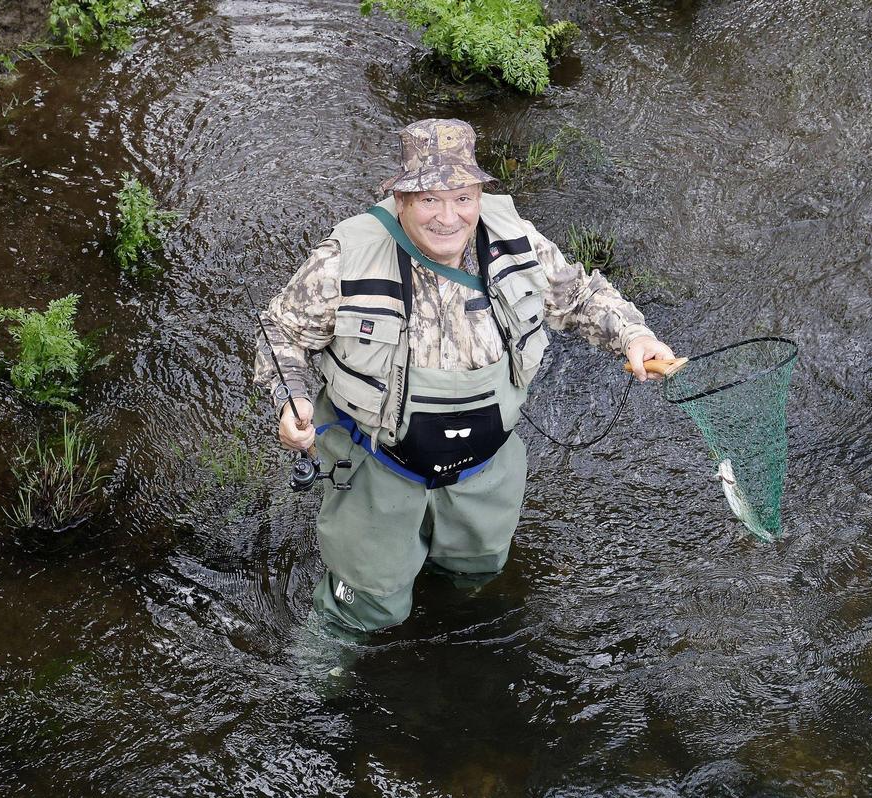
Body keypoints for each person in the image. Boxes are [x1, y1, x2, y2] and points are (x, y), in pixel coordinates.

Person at [255, 118, 675, 634]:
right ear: (401, 199)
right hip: (376, 465)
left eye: (462, 196)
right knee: (369, 604)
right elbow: (282, 333)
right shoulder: (344, 261)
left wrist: (634, 337)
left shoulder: (517, 241)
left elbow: (582, 297)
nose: (448, 217)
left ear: (479, 193)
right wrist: (289, 398)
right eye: (429, 200)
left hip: (486, 467)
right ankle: (324, 667)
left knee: (476, 572)